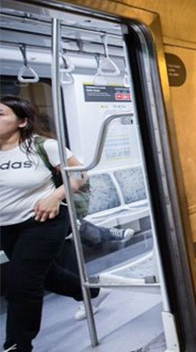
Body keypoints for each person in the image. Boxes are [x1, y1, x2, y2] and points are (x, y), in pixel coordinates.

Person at [0, 96, 109, 352]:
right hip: (7, 226)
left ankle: (17, 344)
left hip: (43, 221)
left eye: (0, 113)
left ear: (22, 121)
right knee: (47, 275)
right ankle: (92, 292)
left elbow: (79, 174)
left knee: (20, 284)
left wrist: (55, 195)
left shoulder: (44, 146)